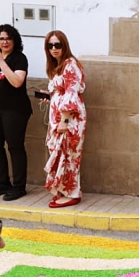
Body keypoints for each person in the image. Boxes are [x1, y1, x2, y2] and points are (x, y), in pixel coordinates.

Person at [0, 24, 32, 201]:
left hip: (15, 110)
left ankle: (19, 186)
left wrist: (2, 61)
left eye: (8, 38)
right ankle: (2, 182)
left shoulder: (19, 58)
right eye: (1, 39)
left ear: (14, 40)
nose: (5, 42)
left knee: (15, 147)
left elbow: (17, 82)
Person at [41, 31, 86, 209]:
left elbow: (72, 94)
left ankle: (72, 193)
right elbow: (61, 92)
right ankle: (64, 190)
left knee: (69, 154)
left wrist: (65, 121)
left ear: (64, 45)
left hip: (70, 121)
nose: (54, 49)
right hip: (60, 119)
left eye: (57, 45)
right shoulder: (57, 66)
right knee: (60, 154)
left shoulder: (70, 65)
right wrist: (51, 97)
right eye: (50, 46)